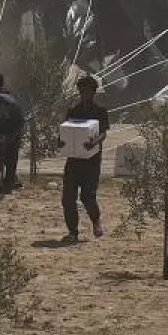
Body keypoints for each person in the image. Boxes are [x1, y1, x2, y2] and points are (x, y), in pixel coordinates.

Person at [59, 75, 109, 241]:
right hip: (73, 161)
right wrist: (61, 142)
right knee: (68, 197)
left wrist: (93, 143)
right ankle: (73, 232)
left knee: (87, 196)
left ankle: (96, 220)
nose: (84, 93)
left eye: (87, 90)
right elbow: (65, 132)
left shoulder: (100, 111)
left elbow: (103, 134)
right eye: (82, 90)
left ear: (93, 92)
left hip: (91, 161)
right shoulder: (73, 111)